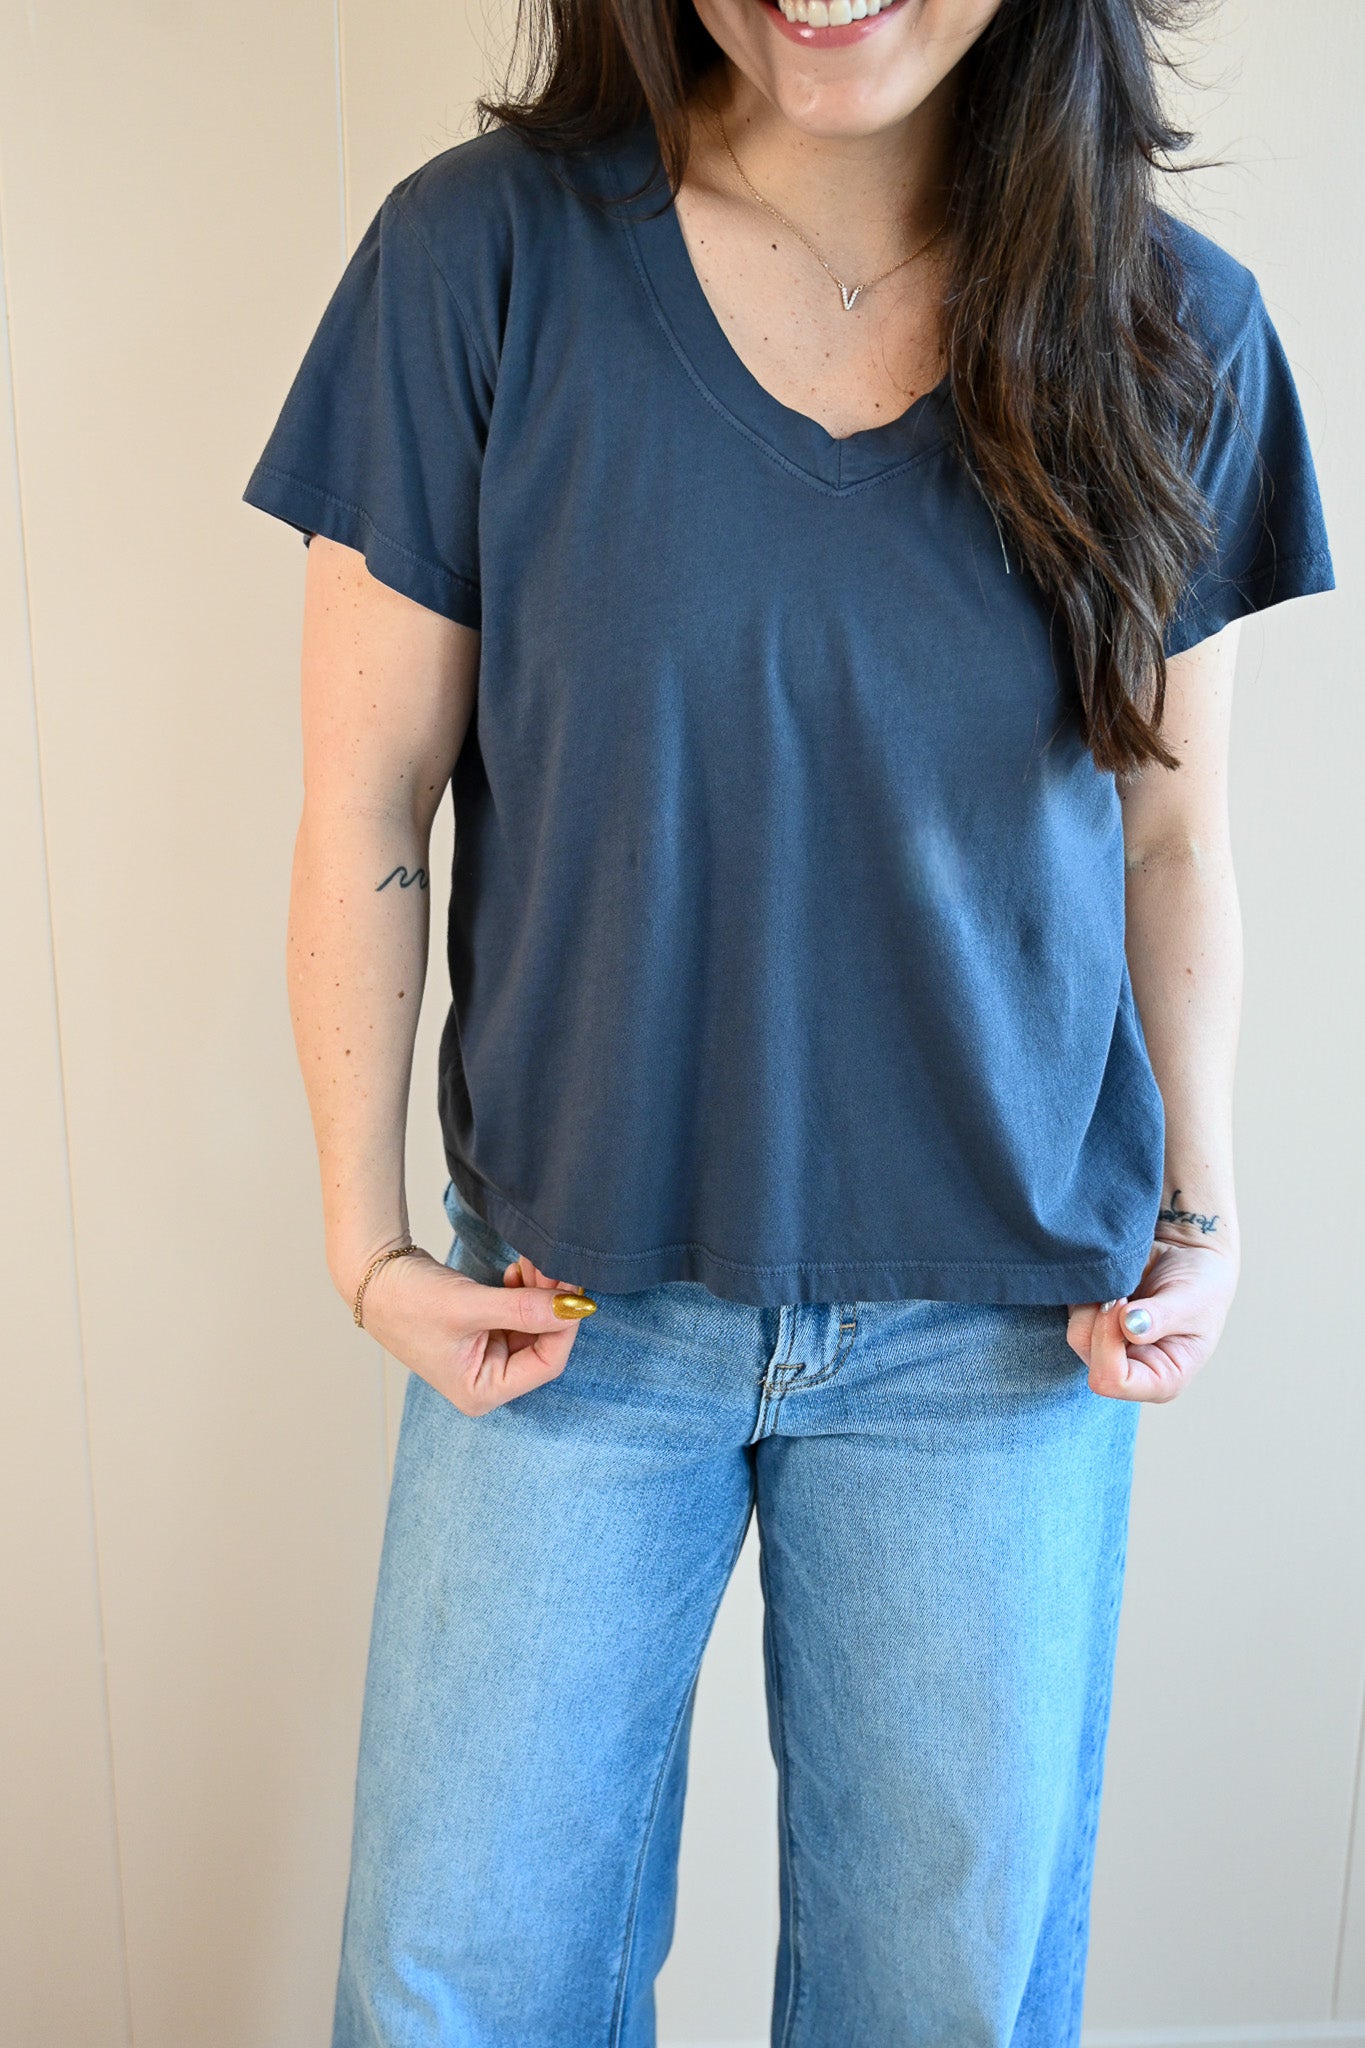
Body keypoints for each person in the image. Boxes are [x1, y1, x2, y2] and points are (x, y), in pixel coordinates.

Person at [242, 0, 1335, 2038]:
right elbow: (366, 800)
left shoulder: (1168, 324)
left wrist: (1201, 1208)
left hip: (999, 1330)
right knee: (451, 1988)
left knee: (940, 2005)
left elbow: (1170, 834)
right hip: (563, 1314)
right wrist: (364, 1241)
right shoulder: (479, 262)